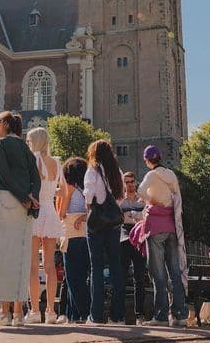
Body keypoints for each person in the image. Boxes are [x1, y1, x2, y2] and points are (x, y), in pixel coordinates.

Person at [0, 111, 41, 326]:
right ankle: (19, 313)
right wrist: (32, 198)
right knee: (20, 257)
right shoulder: (25, 147)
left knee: (1, 255)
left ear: (5, 124)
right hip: (23, 206)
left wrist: (22, 196)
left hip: (5, 199)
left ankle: (4, 313)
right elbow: (36, 176)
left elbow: (3, 173)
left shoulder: (2, 143)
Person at [135, 145, 188, 327]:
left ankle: (161, 316)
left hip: (155, 227)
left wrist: (152, 200)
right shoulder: (171, 174)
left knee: (158, 273)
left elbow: (139, 192)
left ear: (147, 160)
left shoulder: (150, 175)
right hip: (171, 226)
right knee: (174, 271)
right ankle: (180, 314)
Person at [82, 139, 125, 324]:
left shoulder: (93, 169)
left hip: (97, 224)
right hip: (114, 225)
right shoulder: (118, 171)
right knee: (116, 267)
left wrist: (91, 207)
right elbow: (121, 198)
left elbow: (88, 193)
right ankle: (118, 315)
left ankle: (97, 315)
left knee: (96, 267)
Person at [25, 126, 63, 324]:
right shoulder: (57, 162)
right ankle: (50, 312)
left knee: (32, 265)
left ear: (36, 142)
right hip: (51, 212)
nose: (28, 144)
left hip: (35, 212)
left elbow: (31, 187)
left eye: (29, 141)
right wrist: (51, 194)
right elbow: (63, 192)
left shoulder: (34, 160)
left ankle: (34, 311)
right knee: (50, 266)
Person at [58, 156, 91, 323]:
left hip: (71, 235)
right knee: (82, 276)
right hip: (87, 236)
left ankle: (85, 313)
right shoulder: (87, 188)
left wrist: (64, 195)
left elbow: (61, 213)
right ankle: (74, 315)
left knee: (72, 277)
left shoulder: (68, 188)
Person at [119, 171, 146, 325]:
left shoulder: (141, 199)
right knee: (121, 277)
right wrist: (134, 215)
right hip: (124, 236)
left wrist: (131, 215)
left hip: (138, 238)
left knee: (139, 278)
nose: (129, 184)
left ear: (135, 182)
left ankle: (139, 314)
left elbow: (143, 217)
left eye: (131, 181)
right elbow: (121, 217)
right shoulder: (120, 199)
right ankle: (120, 314)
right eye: (126, 181)